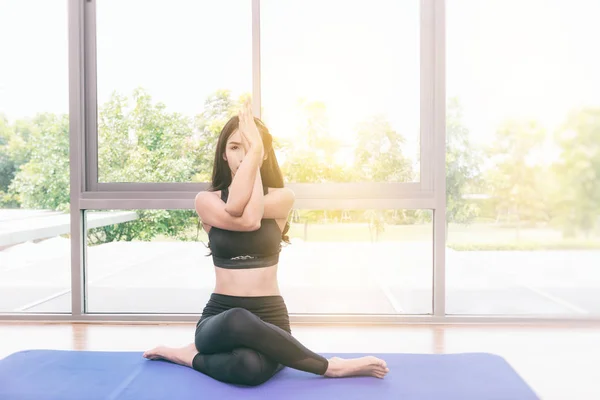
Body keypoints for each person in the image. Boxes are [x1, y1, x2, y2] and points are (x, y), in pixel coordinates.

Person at [143, 99, 389, 386]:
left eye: (250, 147)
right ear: (223, 154)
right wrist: (256, 151)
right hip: (221, 318)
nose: (242, 155)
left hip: (270, 317)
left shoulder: (283, 198)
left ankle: (187, 356)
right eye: (235, 147)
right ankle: (330, 367)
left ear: (264, 154)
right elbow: (244, 216)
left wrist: (254, 155)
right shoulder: (206, 201)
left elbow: (251, 212)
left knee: (248, 368)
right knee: (238, 318)